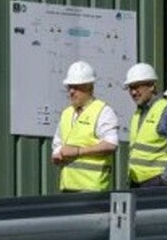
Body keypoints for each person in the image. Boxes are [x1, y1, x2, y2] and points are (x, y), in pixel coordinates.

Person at [51, 61, 119, 192]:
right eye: (69, 87)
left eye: (77, 87)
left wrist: (78, 151)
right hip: (67, 188)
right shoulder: (66, 113)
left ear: (89, 87)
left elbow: (111, 145)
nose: (71, 91)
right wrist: (57, 154)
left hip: (93, 190)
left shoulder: (103, 111)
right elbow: (57, 144)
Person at [125, 63, 167, 189]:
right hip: (136, 184)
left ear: (151, 86)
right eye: (130, 88)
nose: (133, 92)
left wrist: (164, 179)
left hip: (157, 185)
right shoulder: (138, 113)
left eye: (137, 87)